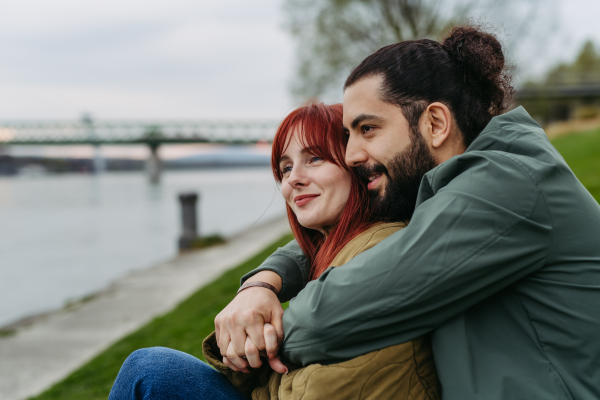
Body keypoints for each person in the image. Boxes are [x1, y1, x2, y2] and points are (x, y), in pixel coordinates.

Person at [216, 25, 600, 399]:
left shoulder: (506, 186)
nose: (351, 155)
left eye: (368, 129)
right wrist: (262, 283)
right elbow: (343, 226)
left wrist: (252, 341)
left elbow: (331, 319)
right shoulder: (450, 190)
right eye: (348, 136)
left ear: (435, 124)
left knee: (158, 373)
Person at [109, 102, 440, 399]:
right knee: (153, 369)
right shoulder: (335, 247)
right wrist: (259, 287)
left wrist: (253, 347)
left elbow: (320, 389)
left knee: (148, 370)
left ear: (357, 165)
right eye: (284, 168)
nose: (293, 179)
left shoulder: (379, 251)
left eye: (314, 158)